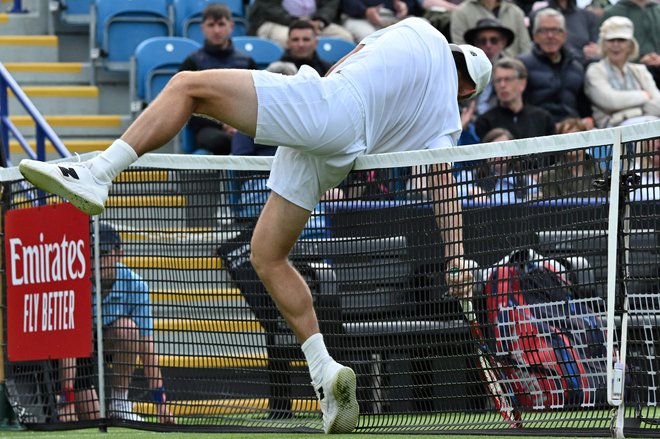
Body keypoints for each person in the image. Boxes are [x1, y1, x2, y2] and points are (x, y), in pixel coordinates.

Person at [18, 18, 492, 434]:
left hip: (331, 107)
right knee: (267, 255)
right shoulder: (444, 120)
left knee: (186, 85)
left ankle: (98, 174)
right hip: (340, 151)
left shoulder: (419, 29)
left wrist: (312, 109)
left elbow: (352, 58)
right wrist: (455, 255)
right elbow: (441, 179)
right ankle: (325, 372)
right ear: (468, 90)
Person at [94, 222, 174, 423]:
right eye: (91, 252)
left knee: (128, 330)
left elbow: (147, 347)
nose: (97, 260)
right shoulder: (76, 278)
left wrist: (160, 405)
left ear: (119, 253)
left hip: (111, 344)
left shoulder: (136, 285)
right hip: (79, 353)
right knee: (87, 417)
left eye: (103, 253)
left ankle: (120, 404)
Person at [179, 4, 258, 155]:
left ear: (231, 26)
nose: (216, 30)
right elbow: (186, 106)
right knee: (219, 141)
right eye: (211, 25)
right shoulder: (192, 62)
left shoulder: (247, 62)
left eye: (221, 24)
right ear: (203, 27)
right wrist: (223, 125)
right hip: (209, 129)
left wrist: (239, 124)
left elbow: (258, 100)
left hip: (244, 126)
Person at [519, 8, 592, 126]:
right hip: (538, 130)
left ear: (564, 35)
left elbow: (584, 107)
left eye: (555, 30)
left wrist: (588, 120)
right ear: (535, 36)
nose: (550, 36)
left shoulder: (576, 66)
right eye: (544, 31)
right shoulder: (522, 65)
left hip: (573, 129)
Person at [584, 16, 660, 128]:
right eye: (611, 40)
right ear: (603, 45)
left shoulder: (640, 70)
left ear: (630, 45)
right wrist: (644, 96)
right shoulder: (595, 70)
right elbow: (610, 101)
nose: (616, 45)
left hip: (648, 125)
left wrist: (625, 110)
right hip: (611, 132)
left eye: (621, 40)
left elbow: (658, 103)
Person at [475, 57, 555, 140]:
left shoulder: (543, 119)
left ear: (522, 83)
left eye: (507, 79)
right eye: (498, 80)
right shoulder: (485, 122)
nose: (502, 85)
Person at [536, 117, 603, 198]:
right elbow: (553, 209)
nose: (572, 141)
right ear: (560, 143)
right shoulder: (549, 177)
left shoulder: (601, 173)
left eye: (576, 136)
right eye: (566, 137)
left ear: (586, 141)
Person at [600, 0, 660, 88]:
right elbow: (606, 46)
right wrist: (637, 59)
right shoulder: (613, 12)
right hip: (628, 74)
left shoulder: (657, 11)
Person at [464, 18, 515, 116]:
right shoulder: (466, 69)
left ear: (503, 42)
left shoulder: (513, 69)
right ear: (475, 43)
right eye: (482, 41)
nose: (488, 45)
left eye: (494, 40)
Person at [248, 0, 353, 47]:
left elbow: (329, 5)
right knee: (287, 40)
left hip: (313, 21)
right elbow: (269, 8)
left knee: (345, 38)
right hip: (276, 21)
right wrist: (295, 22)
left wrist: (320, 20)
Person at [450, 0, 531, 58]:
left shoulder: (516, 12)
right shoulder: (461, 12)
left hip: (513, 70)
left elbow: (526, 49)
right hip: (478, 70)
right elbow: (461, 51)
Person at [528, 0, 600, 64]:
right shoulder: (538, 16)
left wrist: (595, 51)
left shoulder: (588, 17)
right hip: (545, 66)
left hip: (581, 68)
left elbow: (595, 46)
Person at [339, 0, 415, 42]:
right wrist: (365, 11)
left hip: (391, 15)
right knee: (372, 39)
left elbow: (412, 3)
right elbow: (347, 4)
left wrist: (405, 6)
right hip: (357, 17)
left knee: (417, 28)